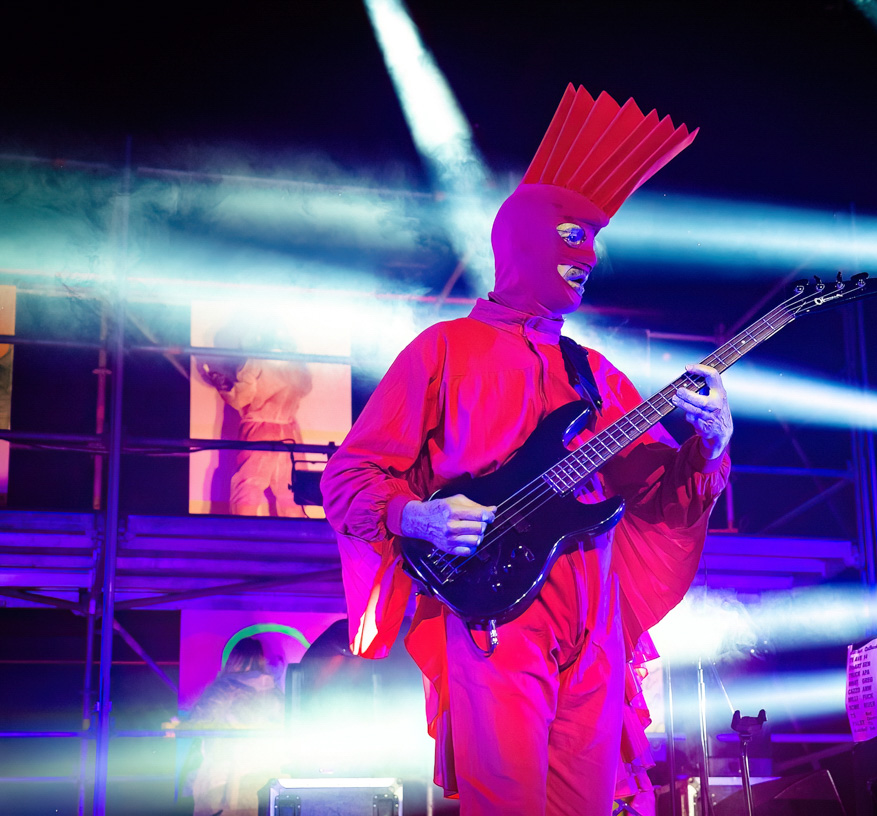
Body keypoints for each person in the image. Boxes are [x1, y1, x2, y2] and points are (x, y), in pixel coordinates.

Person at [321, 84, 732, 815]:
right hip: (499, 609)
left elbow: (659, 496)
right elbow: (350, 477)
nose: (589, 256)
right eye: (572, 235)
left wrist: (710, 444)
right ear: (524, 242)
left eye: (594, 241)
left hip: (594, 619)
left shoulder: (595, 373)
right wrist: (416, 516)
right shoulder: (443, 350)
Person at [202, 328, 312, 517]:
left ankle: (241, 533)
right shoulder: (296, 364)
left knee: (247, 488)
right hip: (288, 434)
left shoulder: (255, 360)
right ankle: (299, 535)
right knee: (290, 492)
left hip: (258, 432)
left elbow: (241, 398)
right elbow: (305, 387)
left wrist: (224, 387)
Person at [180, 637, 285, 816]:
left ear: (233, 659)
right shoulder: (274, 693)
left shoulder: (223, 688)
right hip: (264, 777)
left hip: (222, 779)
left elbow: (198, 721)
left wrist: (179, 723)